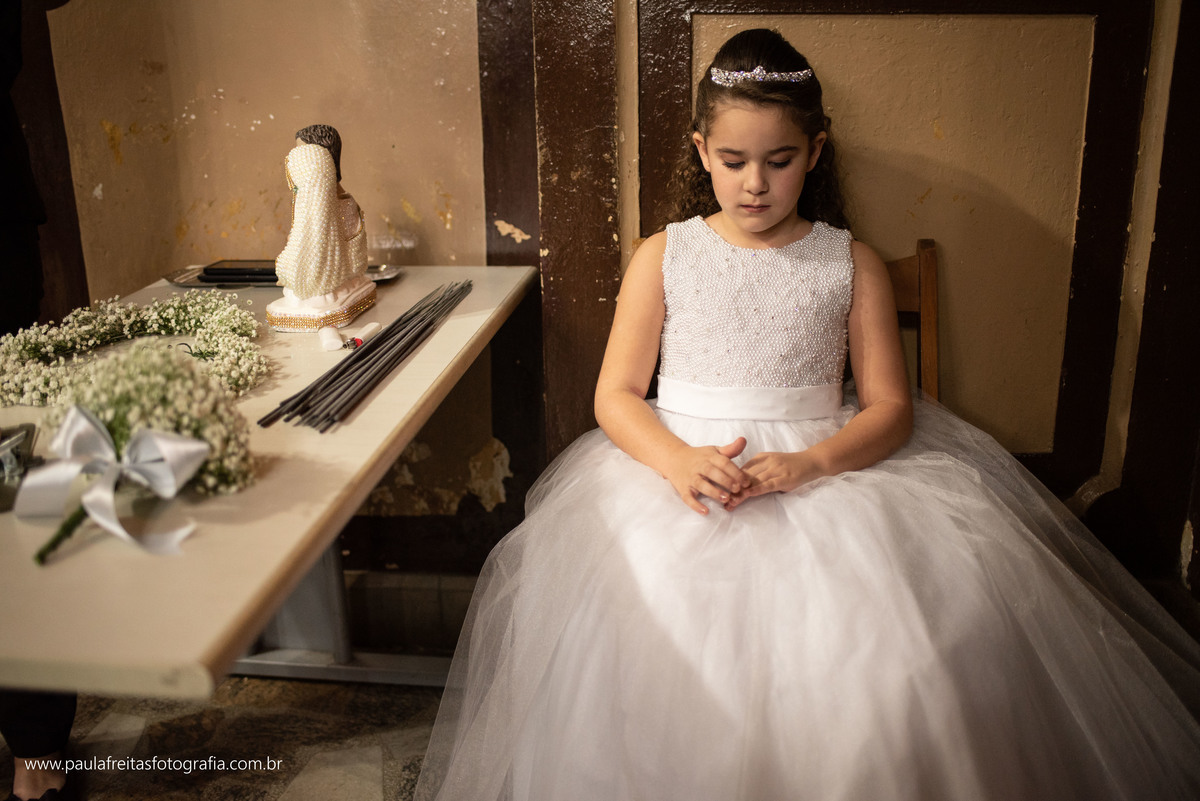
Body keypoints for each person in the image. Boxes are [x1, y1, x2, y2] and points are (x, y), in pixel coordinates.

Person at [415, 28, 1200, 801]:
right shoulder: (663, 256)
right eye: (733, 161)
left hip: (827, 473)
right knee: (641, 625)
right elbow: (615, 394)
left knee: (893, 659)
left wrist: (811, 462)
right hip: (675, 469)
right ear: (701, 152)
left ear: (815, 152)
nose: (755, 183)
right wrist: (677, 460)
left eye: (780, 160)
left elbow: (891, 407)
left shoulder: (849, 262)